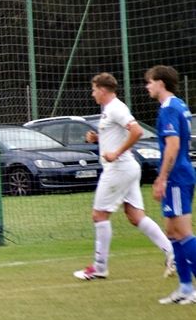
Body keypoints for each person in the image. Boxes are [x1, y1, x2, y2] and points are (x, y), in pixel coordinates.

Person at [74, 73, 175, 281]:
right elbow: (117, 135)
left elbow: (137, 132)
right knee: (135, 215)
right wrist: (98, 139)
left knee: (99, 215)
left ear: (102, 90)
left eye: (94, 90)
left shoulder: (116, 108)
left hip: (118, 168)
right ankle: (171, 252)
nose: (92, 94)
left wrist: (116, 153)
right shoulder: (108, 110)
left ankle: (99, 267)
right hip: (126, 168)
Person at [144, 65, 196, 305]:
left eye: (150, 82)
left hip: (176, 177)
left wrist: (162, 178)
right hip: (180, 175)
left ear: (161, 83)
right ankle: (185, 288)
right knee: (172, 232)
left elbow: (173, 147)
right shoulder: (179, 105)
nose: (148, 87)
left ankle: (190, 288)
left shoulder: (169, 109)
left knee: (184, 233)